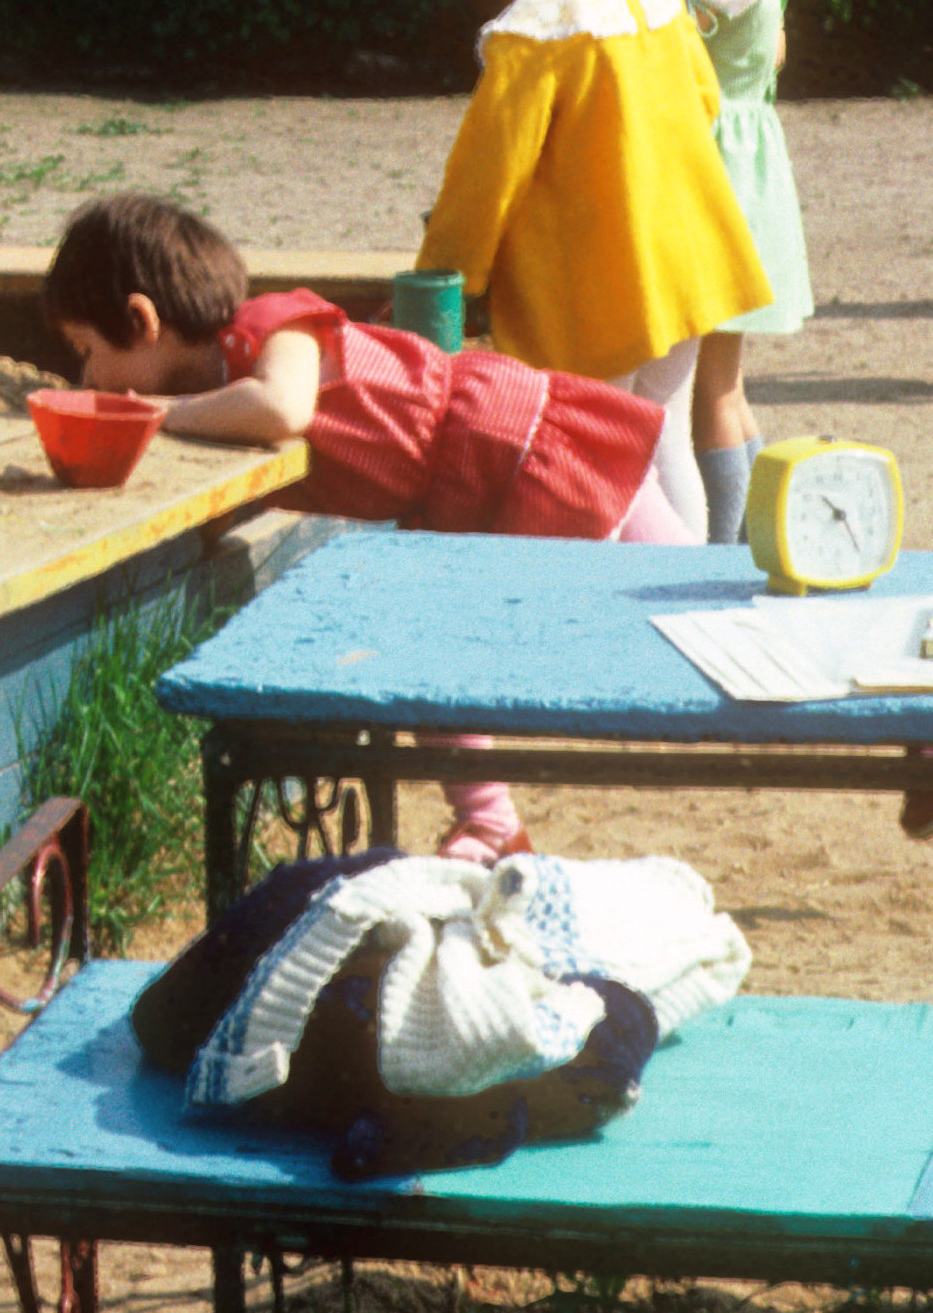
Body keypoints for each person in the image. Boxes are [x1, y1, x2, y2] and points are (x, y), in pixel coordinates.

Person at [46, 191, 681, 862]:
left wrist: (154, 413)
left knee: (689, 591)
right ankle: (491, 822)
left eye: (86, 351)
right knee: (431, 658)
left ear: (140, 321)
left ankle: (795, 632)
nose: (88, 375)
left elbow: (283, 410)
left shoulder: (271, 327)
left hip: (512, 438)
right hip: (453, 497)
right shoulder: (217, 398)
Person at [407, 0, 773, 549]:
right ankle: (704, 579)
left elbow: (483, 181)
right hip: (686, 271)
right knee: (662, 431)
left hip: (596, 295)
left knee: (603, 464)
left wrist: (445, 282)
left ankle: (650, 591)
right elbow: (706, 100)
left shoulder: (532, 34)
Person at [594, 0, 808, 545]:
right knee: (725, 381)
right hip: (753, 160)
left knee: (696, 395)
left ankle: (718, 550)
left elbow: (641, 31)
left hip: (704, 169)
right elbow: (776, 45)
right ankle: (758, 536)